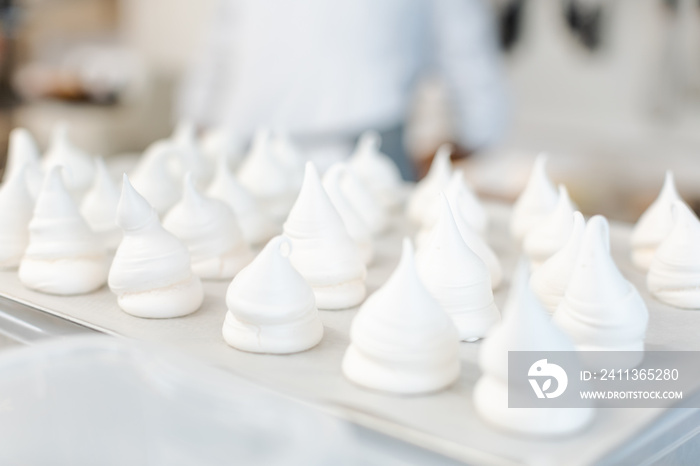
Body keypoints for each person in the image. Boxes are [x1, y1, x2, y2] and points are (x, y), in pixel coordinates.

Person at [177, 0, 508, 180]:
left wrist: (195, 141)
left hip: (247, 159)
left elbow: (212, 62)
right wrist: (473, 138)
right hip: (367, 164)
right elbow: (470, 63)